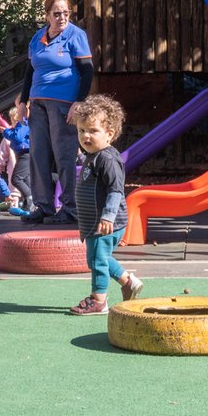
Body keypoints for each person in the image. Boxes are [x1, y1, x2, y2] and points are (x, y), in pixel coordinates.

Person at [17, 0, 94, 226]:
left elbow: (87, 71)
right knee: (38, 155)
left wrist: (78, 102)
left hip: (63, 104)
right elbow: (30, 71)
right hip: (37, 103)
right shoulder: (38, 38)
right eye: (57, 14)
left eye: (66, 13)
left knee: (64, 155)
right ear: (47, 15)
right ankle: (43, 206)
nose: (62, 18)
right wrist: (23, 101)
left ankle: (70, 207)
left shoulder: (76, 36)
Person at [66, 94, 142, 316]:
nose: (85, 136)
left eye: (93, 131)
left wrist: (108, 216)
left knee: (98, 260)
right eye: (81, 130)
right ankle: (128, 282)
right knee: (99, 257)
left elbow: (115, 190)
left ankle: (98, 300)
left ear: (110, 134)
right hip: (94, 223)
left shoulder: (107, 159)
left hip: (106, 222)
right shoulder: (93, 155)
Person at [0, 103, 34, 215]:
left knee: (16, 179)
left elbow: (17, 138)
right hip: (25, 153)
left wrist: (6, 132)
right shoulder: (23, 124)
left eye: (13, 119)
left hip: (25, 153)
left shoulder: (23, 123)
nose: (12, 122)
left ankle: (30, 197)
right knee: (26, 179)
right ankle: (29, 204)